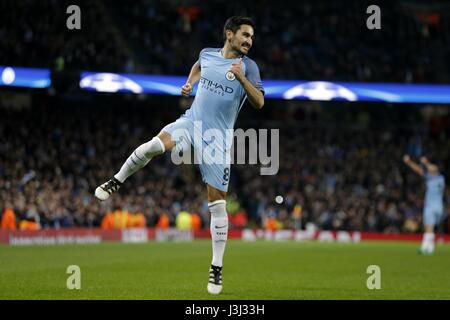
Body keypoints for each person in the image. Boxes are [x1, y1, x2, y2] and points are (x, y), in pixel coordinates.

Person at [94, 16, 264, 294]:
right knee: (154, 145)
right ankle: (116, 180)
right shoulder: (207, 54)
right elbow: (199, 66)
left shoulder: (249, 67)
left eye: (252, 37)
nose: (249, 41)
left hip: (217, 140)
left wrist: (242, 77)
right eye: (245, 35)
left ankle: (216, 268)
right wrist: (189, 83)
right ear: (229, 34)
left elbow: (259, 102)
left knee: (218, 205)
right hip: (191, 122)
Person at [403, 155, 446, 254]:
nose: (429, 169)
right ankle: (427, 247)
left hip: (431, 206)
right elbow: (422, 169)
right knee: (429, 228)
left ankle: (427, 248)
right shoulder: (440, 179)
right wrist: (412, 162)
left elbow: (422, 169)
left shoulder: (433, 178)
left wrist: (424, 162)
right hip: (439, 206)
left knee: (429, 227)